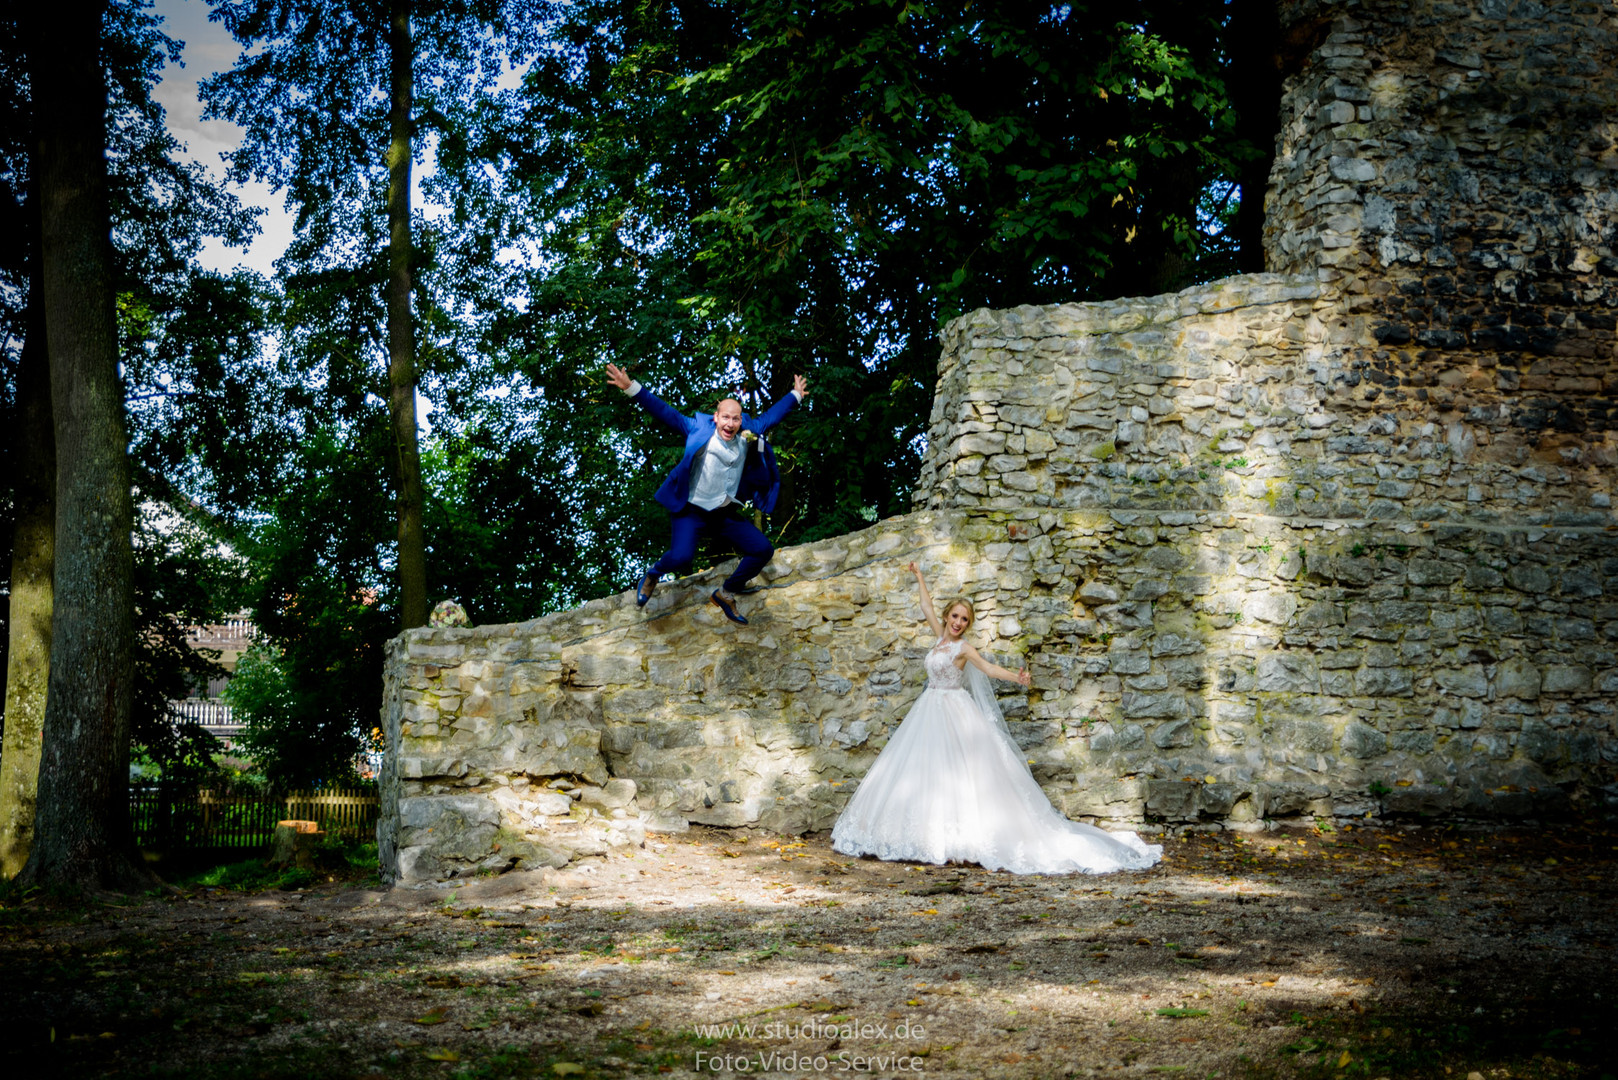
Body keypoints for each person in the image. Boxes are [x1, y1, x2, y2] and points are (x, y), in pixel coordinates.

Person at [831, 563, 1163, 875]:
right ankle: (928, 836)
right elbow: (926, 608)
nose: (958, 623)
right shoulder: (939, 638)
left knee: (962, 773)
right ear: (948, 617)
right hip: (928, 709)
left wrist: (1016, 678)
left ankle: (963, 840)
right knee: (923, 770)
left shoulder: (962, 649)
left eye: (964, 620)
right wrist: (919, 576)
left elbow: (988, 669)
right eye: (955, 617)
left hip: (954, 712)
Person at [605, 362, 808, 625]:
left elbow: (772, 416)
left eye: (735, 418)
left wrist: (795, 396)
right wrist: (630, 387)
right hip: (691, 511)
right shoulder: (696, 430)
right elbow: (664, 411)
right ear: (716, 417)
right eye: (725, 417)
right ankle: (653, 575)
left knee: (762, 550)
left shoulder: (748, 435)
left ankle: (726, 593)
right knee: (681, 556)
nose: (730, 423)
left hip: (723, 514)